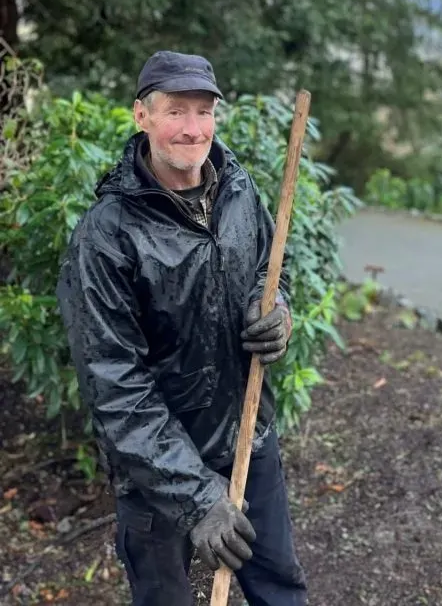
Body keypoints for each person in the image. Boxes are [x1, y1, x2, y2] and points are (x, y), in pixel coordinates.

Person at [57, 50, 308, 606]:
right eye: (175, 111)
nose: (192, 130)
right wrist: (195, 495)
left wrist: (278, 313)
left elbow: (273, 265)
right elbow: (113, 381)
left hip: (247, 435)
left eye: (203, 111)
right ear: (141, 116)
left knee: (280, 588)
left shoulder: (239, 191)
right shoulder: (107, 235)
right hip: (156, 473)